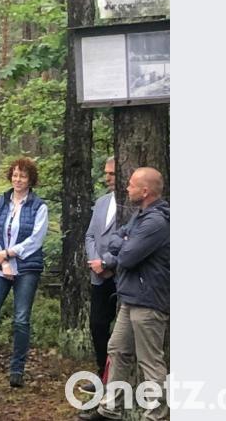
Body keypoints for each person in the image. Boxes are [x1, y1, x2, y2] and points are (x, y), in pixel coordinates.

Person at [79, 167, 170, 421]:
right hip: (130, 298)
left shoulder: (156, 222)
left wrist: (119, 249)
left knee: (149, 360)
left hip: (149, 300)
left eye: (131, 185)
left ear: (145, 191)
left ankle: (157, 415)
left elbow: (128, 257)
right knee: (117, 349)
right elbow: (117, 241)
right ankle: (110, 409)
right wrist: (124, 242)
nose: (126, 188)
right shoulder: (139, 216)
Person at [0, 157, 49, 389]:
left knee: (21, 320)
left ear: (30, 179)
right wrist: (0, 257)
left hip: (27, 268)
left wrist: (9, 254)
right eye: (15, 175)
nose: (18, 179)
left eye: (23, 176)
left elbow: (35, 239)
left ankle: (17, 371)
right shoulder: (1, 202)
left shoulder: (39, 206)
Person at [80, 157, 119, 393]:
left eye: (112, 174)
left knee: (123, 332)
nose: (107, 178)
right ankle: (101, 374)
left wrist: (109, 264)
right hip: (99, 275)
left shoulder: (131, 204)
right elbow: (90, 236)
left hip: (122, 274)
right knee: (98, 324)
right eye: (106, 173)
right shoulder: (102, 201)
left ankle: (118, 379)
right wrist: (96, 262)